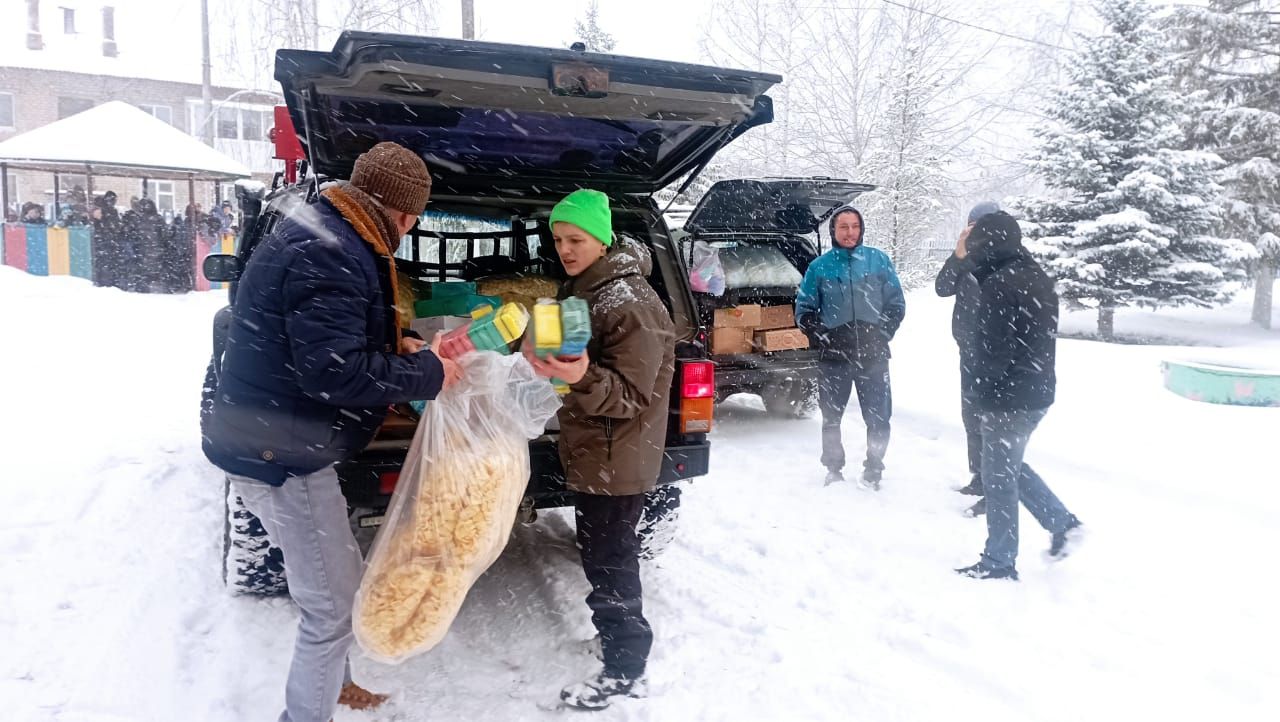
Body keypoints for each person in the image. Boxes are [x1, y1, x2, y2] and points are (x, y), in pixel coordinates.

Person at [202, 141, 461, 722]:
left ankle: (336, 684)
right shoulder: (334, 253)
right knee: (333, 607)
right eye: (414, 215)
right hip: (280, 455)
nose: (412, 226)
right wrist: (429, 372)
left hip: (269, 436)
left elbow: (324, 342)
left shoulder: (324, 230)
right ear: (399, 210)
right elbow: (333, 372)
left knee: (330, 577)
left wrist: (398, 347)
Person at [524, 188, 675, 710]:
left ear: (602, 239)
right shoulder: (588, 290)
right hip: (598, 448)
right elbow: (580, 360)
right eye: (559, 239)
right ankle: (616, 639)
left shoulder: (629, 301)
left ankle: (626, 666)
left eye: (576, 239)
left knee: (611, 560)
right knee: (600, 553)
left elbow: (632, 394)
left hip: (619, 454)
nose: (565, 249)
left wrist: (581, 373)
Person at [954, 211, 1083, 581]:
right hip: (1038, 391)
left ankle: (999, 561)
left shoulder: (999, 285)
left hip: (1009, 396)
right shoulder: (1036, 277)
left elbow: (995, 352)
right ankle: (1062, 523)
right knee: (1009, 464)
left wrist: (980, 393)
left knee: (998, 478)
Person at [795, 206, 906, 489]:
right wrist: (821, 335)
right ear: (833, 231)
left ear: (861, 228)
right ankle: (833, 467)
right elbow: (804, 310)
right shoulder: (819, 267)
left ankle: (874, 468)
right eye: (843, 227)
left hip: (874, 355)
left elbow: (896, 304)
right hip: (834, 357)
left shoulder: (877, 260)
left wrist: (881, 333)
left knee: (879, 417)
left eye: (854, 226)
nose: (849, 232)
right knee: (832, 417)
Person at [936, 201, 999, 516]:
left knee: (993, 422)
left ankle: (994, 490)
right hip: (969, 352)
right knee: (971, 416)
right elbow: (942, 287)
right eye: (975, 225)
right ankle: (979, 477)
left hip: (998, 357)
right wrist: (959, 253)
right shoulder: (965, 258)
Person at [91, 191, 124, 288]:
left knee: (103, 263)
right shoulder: (108, 210)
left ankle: (102, 282)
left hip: (103, 239)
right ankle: (108, 283)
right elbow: (113, 225)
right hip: (107, 239)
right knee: (108, 263)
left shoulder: (100, 209)